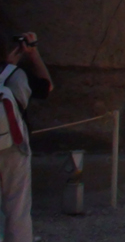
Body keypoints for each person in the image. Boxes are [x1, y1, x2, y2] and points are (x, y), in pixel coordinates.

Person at [0, 32, 53, 242]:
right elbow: (47, 86)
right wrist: (33, 54)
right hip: (13, 145)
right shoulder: (17, 75)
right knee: (17, 205)